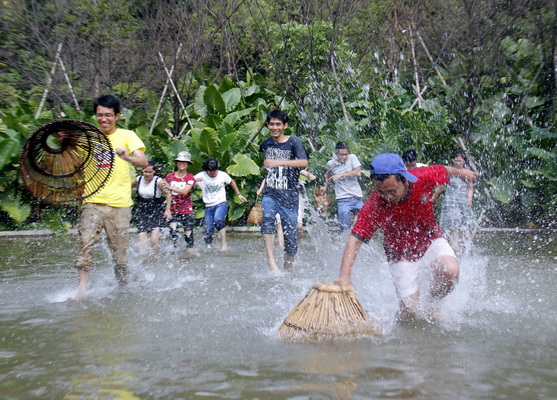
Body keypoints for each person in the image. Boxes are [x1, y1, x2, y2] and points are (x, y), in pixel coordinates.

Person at [335, 153, 477, 322]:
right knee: (410, 310)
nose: (387, 197)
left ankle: (432, 305)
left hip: (430, 239)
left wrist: (463, 173)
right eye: (381, 192)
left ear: (405, 179)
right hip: (399, 254)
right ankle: (398, 327)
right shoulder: (374, 205)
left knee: (451, 270)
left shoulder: (422, 177)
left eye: (392, 191)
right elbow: (354, 239)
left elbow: (444, 169)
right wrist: (344, 276)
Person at [71, 94, 148, 300]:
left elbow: (143, 161)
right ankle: (82, 289)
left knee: (119, 253)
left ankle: (124, 287)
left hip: (120, 204)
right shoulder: (86, 137)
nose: (103, 119)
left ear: (117, 116)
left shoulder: (127, 135)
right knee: (85, 242)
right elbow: (69, 159)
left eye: (108, 115)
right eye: (99, 115)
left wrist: (127, 157)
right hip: (92, 201)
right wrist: (63, 141)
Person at [259, 109, 308, 274]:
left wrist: (279, 162)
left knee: (291, 242)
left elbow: (303, 163)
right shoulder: (265, 144)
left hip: (289, 196)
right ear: (268, 125)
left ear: (285, 126)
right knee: (267, 219)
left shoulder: (294, 142)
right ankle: (271, 262)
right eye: (271, 124)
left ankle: (287, 269)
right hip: (271, 193)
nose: (274, 127)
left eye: (278, 124)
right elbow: (268, 167)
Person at [194, 158, 247, 251]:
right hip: (208, 205)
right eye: (210, 170)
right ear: (206, 169)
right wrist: (193, 182)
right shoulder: (201, 176)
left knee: (218, 220)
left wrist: (238, 194)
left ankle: (224, 244)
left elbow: (232, 182)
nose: (212, 172)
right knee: (208, 229)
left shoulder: (222, 175)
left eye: (214, 170)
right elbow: (189, 182)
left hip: (221, 203)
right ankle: (208, 247)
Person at [438, 149, 477, 254]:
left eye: (460, 161)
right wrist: (434, 196)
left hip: (463, 202)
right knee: (453, 226)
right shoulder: (450, 172)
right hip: (451, 203)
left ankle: (467, 248)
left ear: (464, 161)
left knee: (466, 227)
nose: (458, 163)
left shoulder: (466, 173)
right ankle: (454, 248)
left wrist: (469, 199)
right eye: (456, 161)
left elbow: (470, 188)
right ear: (453, 161)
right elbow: (441, 185)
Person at [321, 141, 364, 232]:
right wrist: (325, 186)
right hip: (343, 199)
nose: (344, 157)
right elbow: (328, 174)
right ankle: (343, 244)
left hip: (357, 197)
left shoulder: (352, 158)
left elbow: (357, 171)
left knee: (364, 223)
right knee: (344, 228)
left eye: (346, 154)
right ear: (336, 153)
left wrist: (340, 175)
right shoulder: (331, 164)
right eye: (341, 155)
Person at [160, 151, 196, 253]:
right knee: (173, 234)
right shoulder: (170, 176)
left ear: (188, 164)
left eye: (184, 162)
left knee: (188, 234)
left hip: (186, 209)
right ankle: (175, 255)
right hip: (173, 209)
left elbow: (185, 192)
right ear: (177, 163)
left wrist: (170, 187)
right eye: (180, 161)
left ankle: (190, 255)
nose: (182, 164)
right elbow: (164, 189)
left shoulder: (190, 177)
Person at [132, 160, 165, 255]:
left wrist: (167, 210)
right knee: (142, 239)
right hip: (143, 209)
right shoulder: (139, 179)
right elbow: (128, 187)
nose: (147, 174)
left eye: (150, 172)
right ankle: (143, 259)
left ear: (154, 172)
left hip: (155, 209)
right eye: (145, 171)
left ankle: (156, 257)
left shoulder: (158, 181)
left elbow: (168, 193)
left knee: (154, 239)